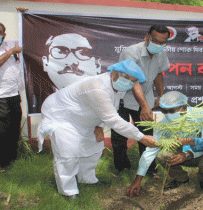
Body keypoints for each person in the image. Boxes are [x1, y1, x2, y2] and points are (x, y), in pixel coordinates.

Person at [37, 60, 158, 199]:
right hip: (61, 115)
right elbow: (113, 119)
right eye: (126, 77)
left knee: (94, 147)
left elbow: (110, 107)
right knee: (68, 154)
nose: (128, 82)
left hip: (83, 118)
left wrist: (99, 126)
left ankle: (87, 180)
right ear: (114, 73)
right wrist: (141, 137)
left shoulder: (118, 87)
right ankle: (69, 191)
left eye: (133, 81)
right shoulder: (97, 87)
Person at [126, 91, 203, 197]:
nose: (167, 114)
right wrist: (138, 180)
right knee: (163, 155)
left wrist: (187, 154)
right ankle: (181, 179)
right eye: (164, 111)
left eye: (171, 110)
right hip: (181, 154)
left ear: (184, 107)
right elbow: (150, 151)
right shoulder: (163, 125)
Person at [111, 25, 170, 176]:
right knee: (120, 135)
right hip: (124, 98)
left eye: (162, 43)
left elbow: (158, 74)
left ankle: (149, 169)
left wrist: (161, 95)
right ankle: (122, 168)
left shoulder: (161, 53)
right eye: (154, 41)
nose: (158, 45)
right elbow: (133, 81)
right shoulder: (131, 52)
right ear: (146, 37)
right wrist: (144, 107)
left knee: (147, 134)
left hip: (146, 97)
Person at [0, 22, 24, 171]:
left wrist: (13, 50)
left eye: (0, 32)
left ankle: (11, 160)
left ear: (4, 34)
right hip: (1, 96)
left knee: (14, 128)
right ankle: (2, 163)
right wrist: (11, 52)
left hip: (14, 94)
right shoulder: (9, 51)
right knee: (2, 130)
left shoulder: (8, 46)